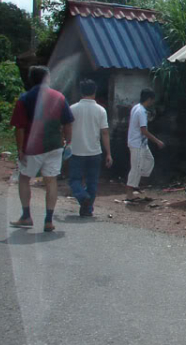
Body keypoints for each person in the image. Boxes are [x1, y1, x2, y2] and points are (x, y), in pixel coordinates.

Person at [9, 66, 74, 232]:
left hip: (32, 147)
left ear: (31, 79)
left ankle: (26, 216)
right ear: (48, 78)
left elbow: (20, 127)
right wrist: (68, 141)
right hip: (55, 145)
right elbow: (67, 122)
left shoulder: (25, 98)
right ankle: (48, 220)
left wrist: (20, 149)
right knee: (51, 180)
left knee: (24, 178)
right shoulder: (59, 97)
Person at [69, 79, 113, 217]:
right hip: (94, 152)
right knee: (92, 182)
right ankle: (87, 209)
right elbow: (104, 132)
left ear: (81, 92)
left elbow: (66, 129)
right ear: (95, 92)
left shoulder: (72, 109)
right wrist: (108, 153)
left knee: (74, 180)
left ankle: (83, 197)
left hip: (76, 151)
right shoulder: (101, 110)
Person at [126, 89, 164, 201]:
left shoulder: (136, 107)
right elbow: (144, 130)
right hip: (137, 144)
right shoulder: (141, 111)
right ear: (149, 99)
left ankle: (137, 184)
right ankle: (129, 194)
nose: (152, 103)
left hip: (141, 144)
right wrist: (157, 141)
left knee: (149, 160)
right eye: (152, 100)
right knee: (135, 168)